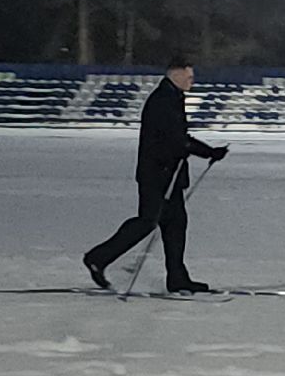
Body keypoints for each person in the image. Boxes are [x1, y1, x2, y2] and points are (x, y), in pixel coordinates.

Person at [83, 55, 228, 293]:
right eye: (189, 77)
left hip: (170, 175)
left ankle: (177, 278)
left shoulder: (173, 97)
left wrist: (205, 152)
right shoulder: (163, 100)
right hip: (157, 175)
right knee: (147, 222)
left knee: (176, 225)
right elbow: (177, 140)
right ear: (176, 74)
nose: (192, 81)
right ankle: (97, 258)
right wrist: (208, 152)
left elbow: (178, 140)